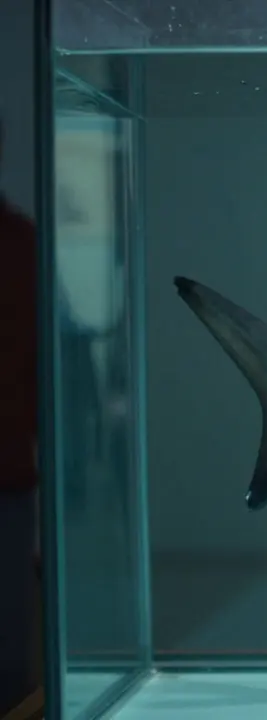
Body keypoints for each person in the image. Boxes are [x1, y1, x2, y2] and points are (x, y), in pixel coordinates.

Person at [0, 117, 39, 711]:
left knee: (10, 666)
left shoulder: (21, 241)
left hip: (8, 481)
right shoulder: (21, 239)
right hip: (10, 478)